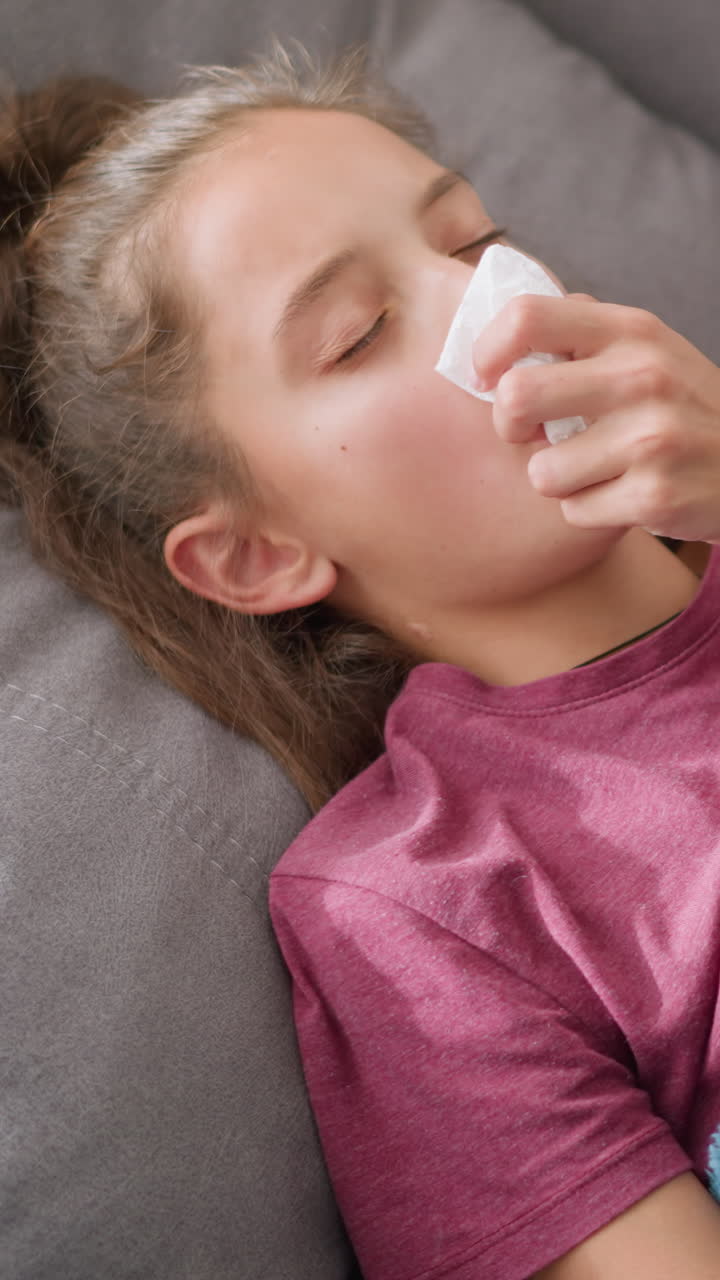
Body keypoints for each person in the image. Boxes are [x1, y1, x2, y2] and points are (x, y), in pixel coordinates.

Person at [4, 42, 720, 1280]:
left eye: (471, 238)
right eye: (360, 333)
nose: (498, 306)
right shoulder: (420, 907)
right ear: (256, 555)